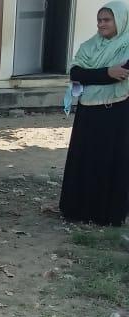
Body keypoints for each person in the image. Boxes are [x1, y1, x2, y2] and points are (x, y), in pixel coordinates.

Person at [60, 2, 129, 227]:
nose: (101, 25)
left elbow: (124, 73)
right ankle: (78, 210)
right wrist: (108, 72)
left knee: (111, 162)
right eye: (99, 20)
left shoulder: (126, 46)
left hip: (117, 112)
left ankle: (107, 214)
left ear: (120, 21)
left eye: (106, 20)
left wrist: (95, 75)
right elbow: (76, 72)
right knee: (85, 160)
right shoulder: (90, 46)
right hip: (89, 112)